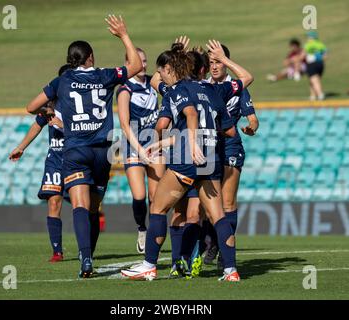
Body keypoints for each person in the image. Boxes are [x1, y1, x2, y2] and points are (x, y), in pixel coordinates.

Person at [121, 40, 253, 282]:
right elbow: (234, 122)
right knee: (218, 216)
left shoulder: (176, 91)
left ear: (172, 70)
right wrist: (224, 59)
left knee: (158, 208)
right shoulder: (214, 90)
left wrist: (184, 142)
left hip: (186, 158)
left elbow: (186, 114)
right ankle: (231, 270)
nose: (159, 74)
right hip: (210, 158)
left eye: (162, 70)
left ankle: (149, 265)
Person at [26, 15, 142, 278]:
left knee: (79, 204)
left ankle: (86, 259)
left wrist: (51, 110)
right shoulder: (104, 75)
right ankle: (87, 252)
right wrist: (123, 34)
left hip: (75, 150)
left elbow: (31, 107)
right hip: (102, 151)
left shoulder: (61, 81)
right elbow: (135, 65)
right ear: (90, 57)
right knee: (93, 207)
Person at [203, 43, 259, 269]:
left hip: (230, 145)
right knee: (207, 206)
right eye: (211, 62)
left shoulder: (237, 86)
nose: (214, 67)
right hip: (206, 146)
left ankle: (224, 252)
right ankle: (213, 242)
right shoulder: (202, 86)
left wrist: (251, 127)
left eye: (218, 62)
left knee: (227, 201)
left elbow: (253, 119)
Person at [9, 64, 70, 263]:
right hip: (55, 160)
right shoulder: (49, 107)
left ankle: (86, 249)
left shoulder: (81, 106)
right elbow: (36, 127)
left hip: (76, 159)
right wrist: (21, 147)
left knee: (82, 205)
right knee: (53, 202)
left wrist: (63, 126)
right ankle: (57, 251)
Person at [116, 47, 165, 254]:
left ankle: (154, 238)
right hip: (133, 147)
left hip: (155, 145)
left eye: (145, 61)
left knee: (156, 197)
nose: (143, 65)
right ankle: (142, 229)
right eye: (139, 61)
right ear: (129, 64)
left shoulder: (154, 82)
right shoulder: (125, 90)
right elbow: (125, 125)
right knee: (139, 195)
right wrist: (140, 150)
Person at [301, 31, 327, 100]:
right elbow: (325, 56)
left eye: (308, 37)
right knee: (313, 80)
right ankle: (312, 96)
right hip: (320, 64)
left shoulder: (308, 44)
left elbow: (303, 55)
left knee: (314, 80)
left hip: (311, 64)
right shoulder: (321, 44)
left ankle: (320, 94)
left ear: (311, 37)